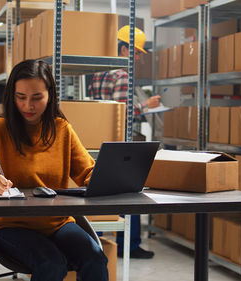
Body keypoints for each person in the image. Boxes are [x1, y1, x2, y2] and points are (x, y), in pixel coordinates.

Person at [0, 59, 108, 281]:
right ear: (11, 96)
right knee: (51, 264)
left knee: (95, 258)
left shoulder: (62, 129)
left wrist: (107, 179)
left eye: (37, 98)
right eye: (21, 97)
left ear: (50, 95)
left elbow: (87, 173)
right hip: (11, 225)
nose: (28, 106)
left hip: (57, 223)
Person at [87, 25, 159, 259]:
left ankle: (100, 241)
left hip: (100, 140)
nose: (138, 57)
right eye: (136, 52)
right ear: (123, 48)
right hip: (119, 143)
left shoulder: (98, 72)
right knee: (131, 193)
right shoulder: (121, 75)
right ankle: (131, 245)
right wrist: (146, 106)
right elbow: (123, 112)